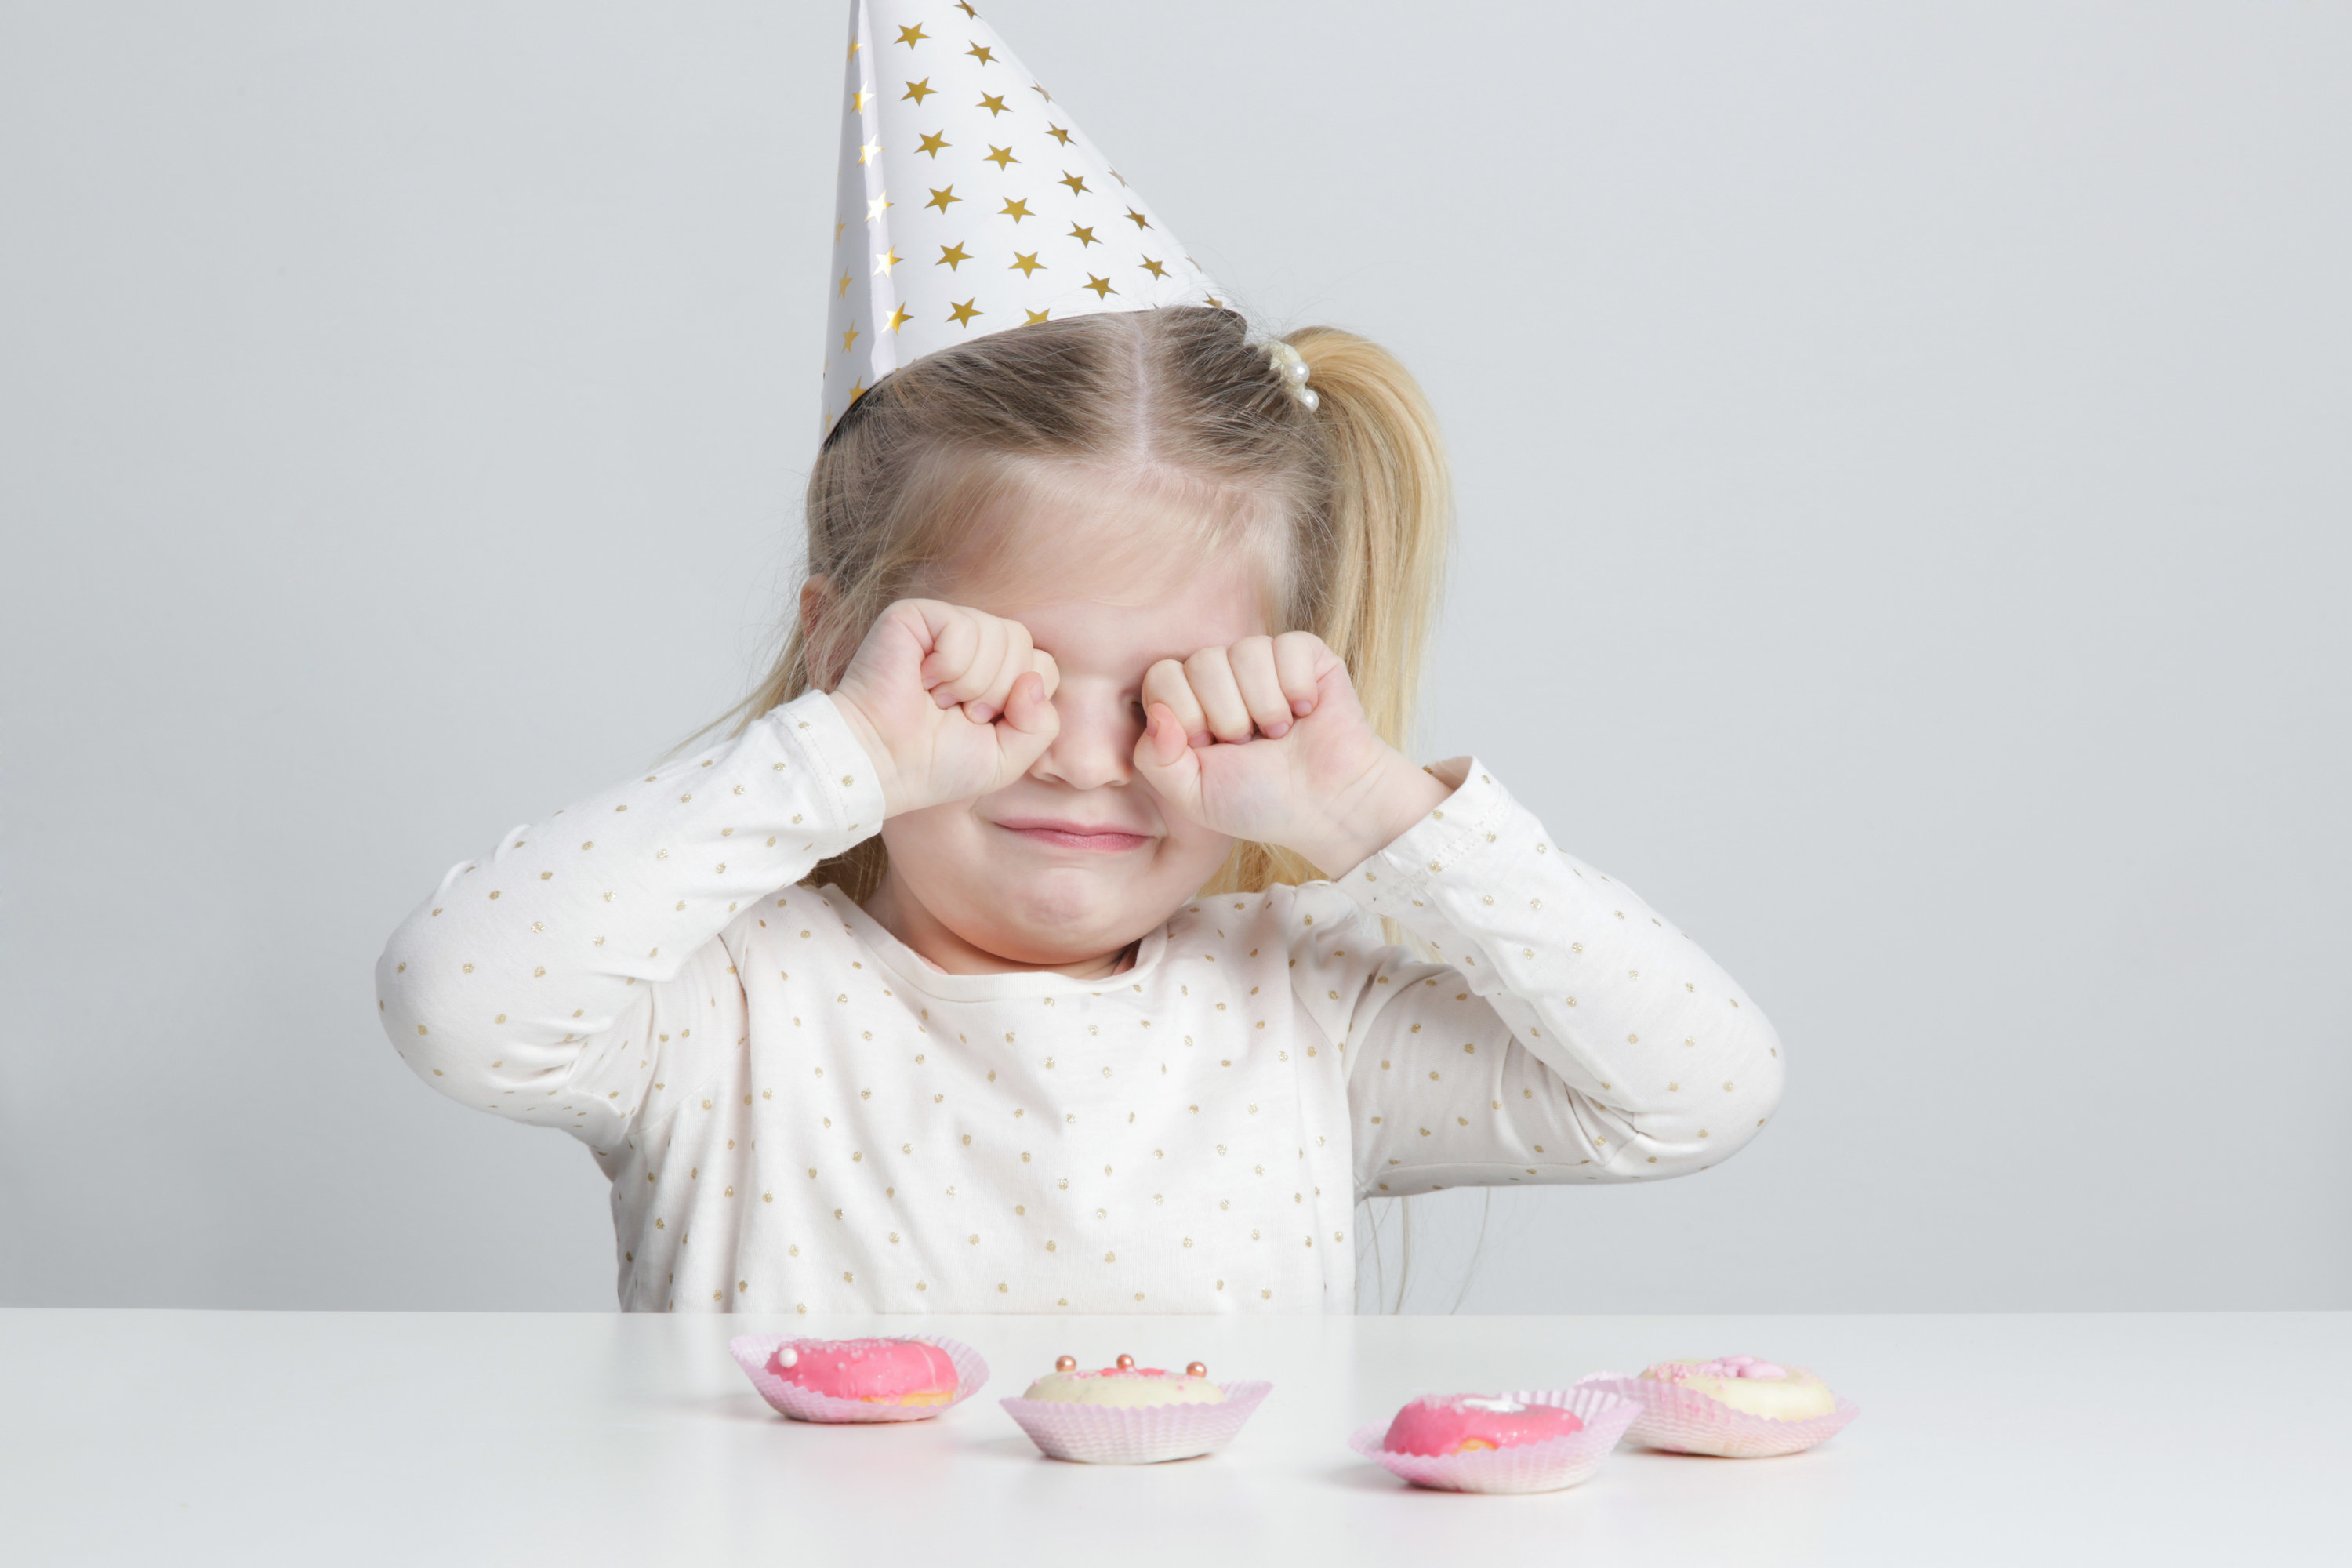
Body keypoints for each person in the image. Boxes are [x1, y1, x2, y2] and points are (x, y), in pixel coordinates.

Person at [375, 0, 1782, 1314]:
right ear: (844, 649)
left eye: (1175, 687)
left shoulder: (1302, 1014)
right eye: (1011, 672)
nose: (1087, 755)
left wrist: (1376, 812)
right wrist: (839, 759)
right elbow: (459, 1004)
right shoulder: (729, 1008)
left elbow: (1700, 1091)